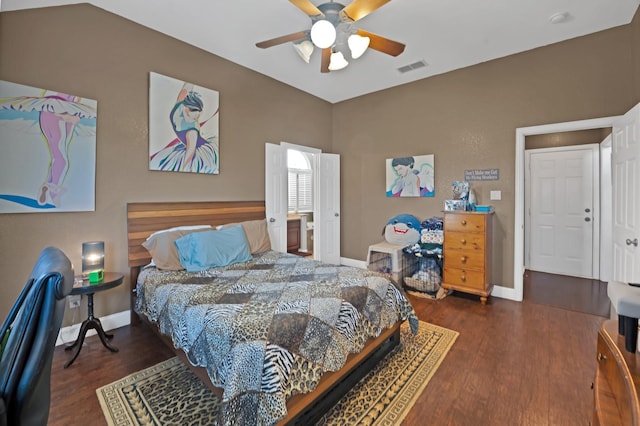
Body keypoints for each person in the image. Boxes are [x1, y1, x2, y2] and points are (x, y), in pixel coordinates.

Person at [0, 91, 97, 207]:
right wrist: (64, 115)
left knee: (57, 157)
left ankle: (48, 185)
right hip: (62, 110)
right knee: (62, 160)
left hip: (49, 113)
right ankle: (53, 191)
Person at [150, 82, 219, 174]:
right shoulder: (190, 130)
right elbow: (189, 155)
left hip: (201, 150)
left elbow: (189, 155)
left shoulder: (179, 108)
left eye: (200, 113)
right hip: (192, 148)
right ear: (186, 110)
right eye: (196, 115)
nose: (198, 117)